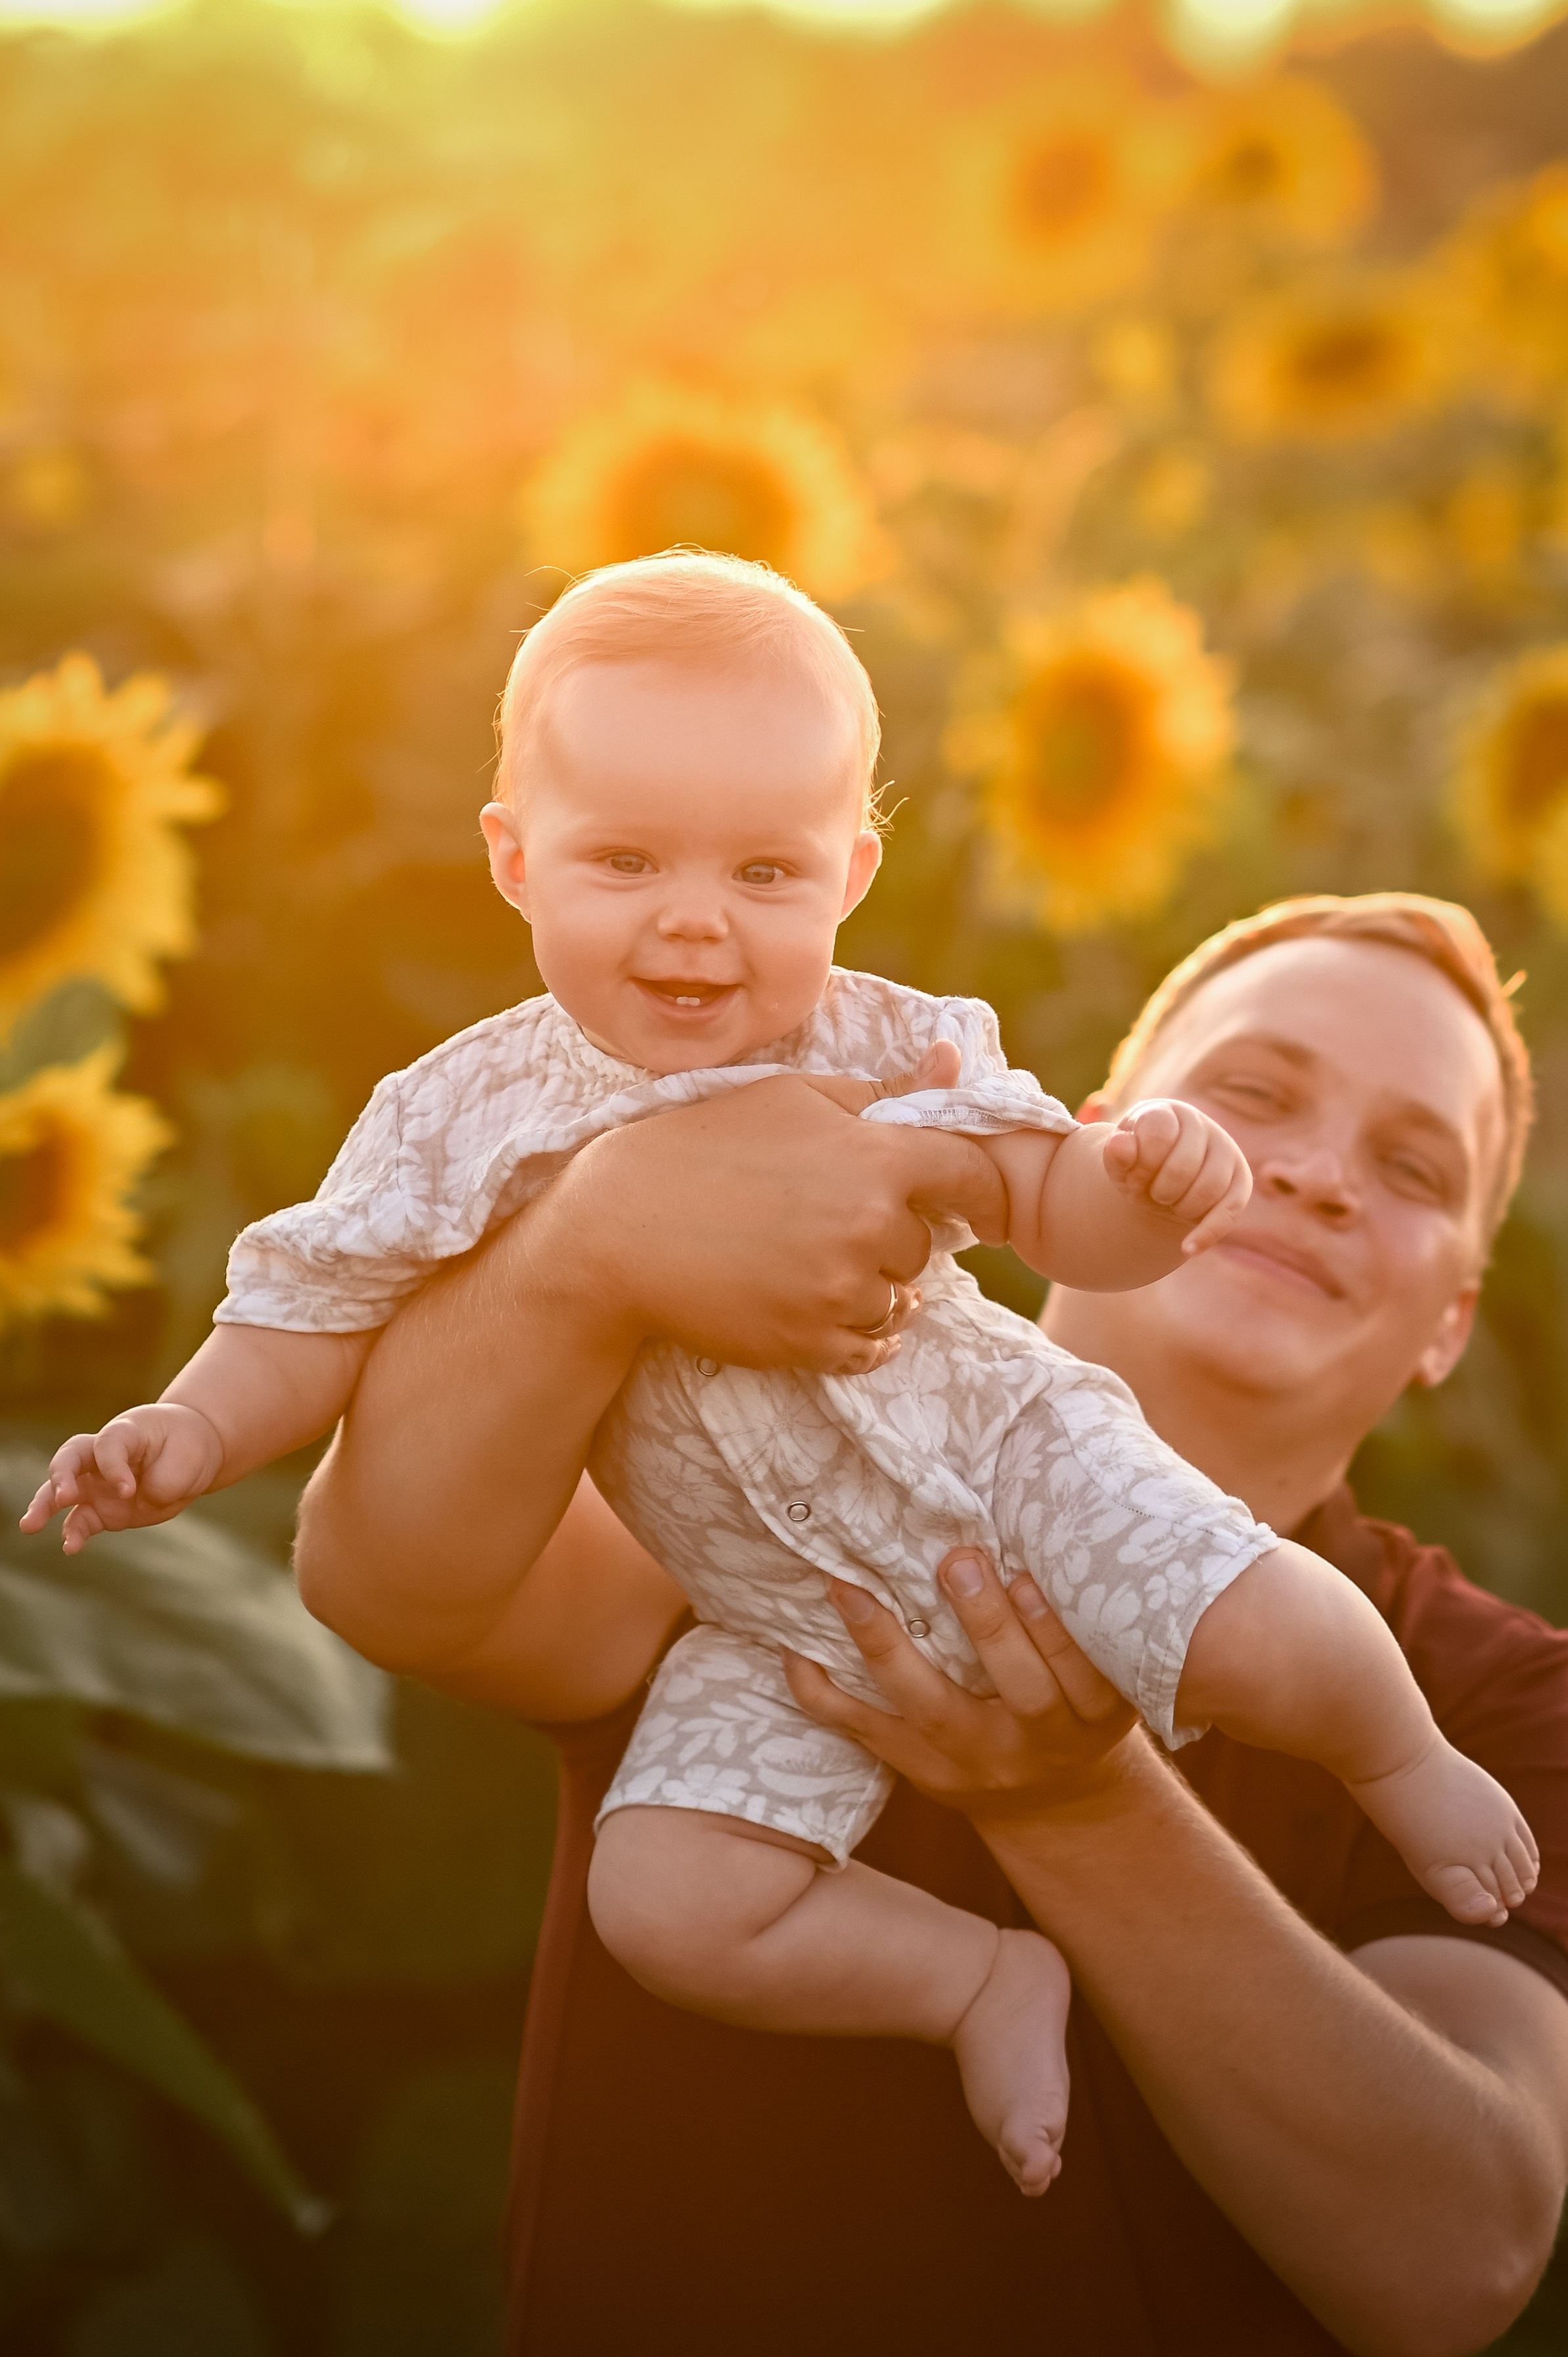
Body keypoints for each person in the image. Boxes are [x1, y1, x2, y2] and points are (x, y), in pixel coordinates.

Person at [20, 565, 1535, 2212]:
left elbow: (1065, 1217)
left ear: (848, 877)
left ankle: (1397, 1761)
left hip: (1014, 1467)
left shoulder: (891, 1046)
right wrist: (190, 1423)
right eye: (625, 858)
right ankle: (969, 1979)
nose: (694, 916)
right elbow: (313, 1308)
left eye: (761, 870)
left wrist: (1154, 1182)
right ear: (511, 857)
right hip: (781, 1617)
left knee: (1276, 1630)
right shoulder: (457, 1108)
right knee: (665, 1895)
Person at [291, 887, 1568, 2356]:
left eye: (1409, 1165)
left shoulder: (1499, 1698)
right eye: (1249, 1094)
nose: (1312, 1173)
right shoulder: (757, 1438)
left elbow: (1447, 2256)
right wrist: (590, 1238)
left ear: (1449, 1324)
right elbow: (384, 1580)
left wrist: (1075, 1800)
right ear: (1087, 1136)